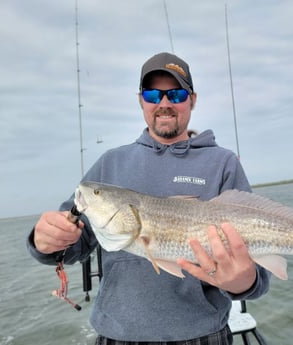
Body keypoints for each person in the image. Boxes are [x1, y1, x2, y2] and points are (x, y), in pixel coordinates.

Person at [27, 52, 270, 345]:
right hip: (117, 335)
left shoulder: (223, 163)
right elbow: (72, 246)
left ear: (192, 100)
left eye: (176, 94)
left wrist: (244, 282)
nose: (164, 103)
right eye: (153, 94)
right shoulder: (110, 164)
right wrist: (46, 241)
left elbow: (257, 273)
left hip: (203, 335)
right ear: (141, 100)